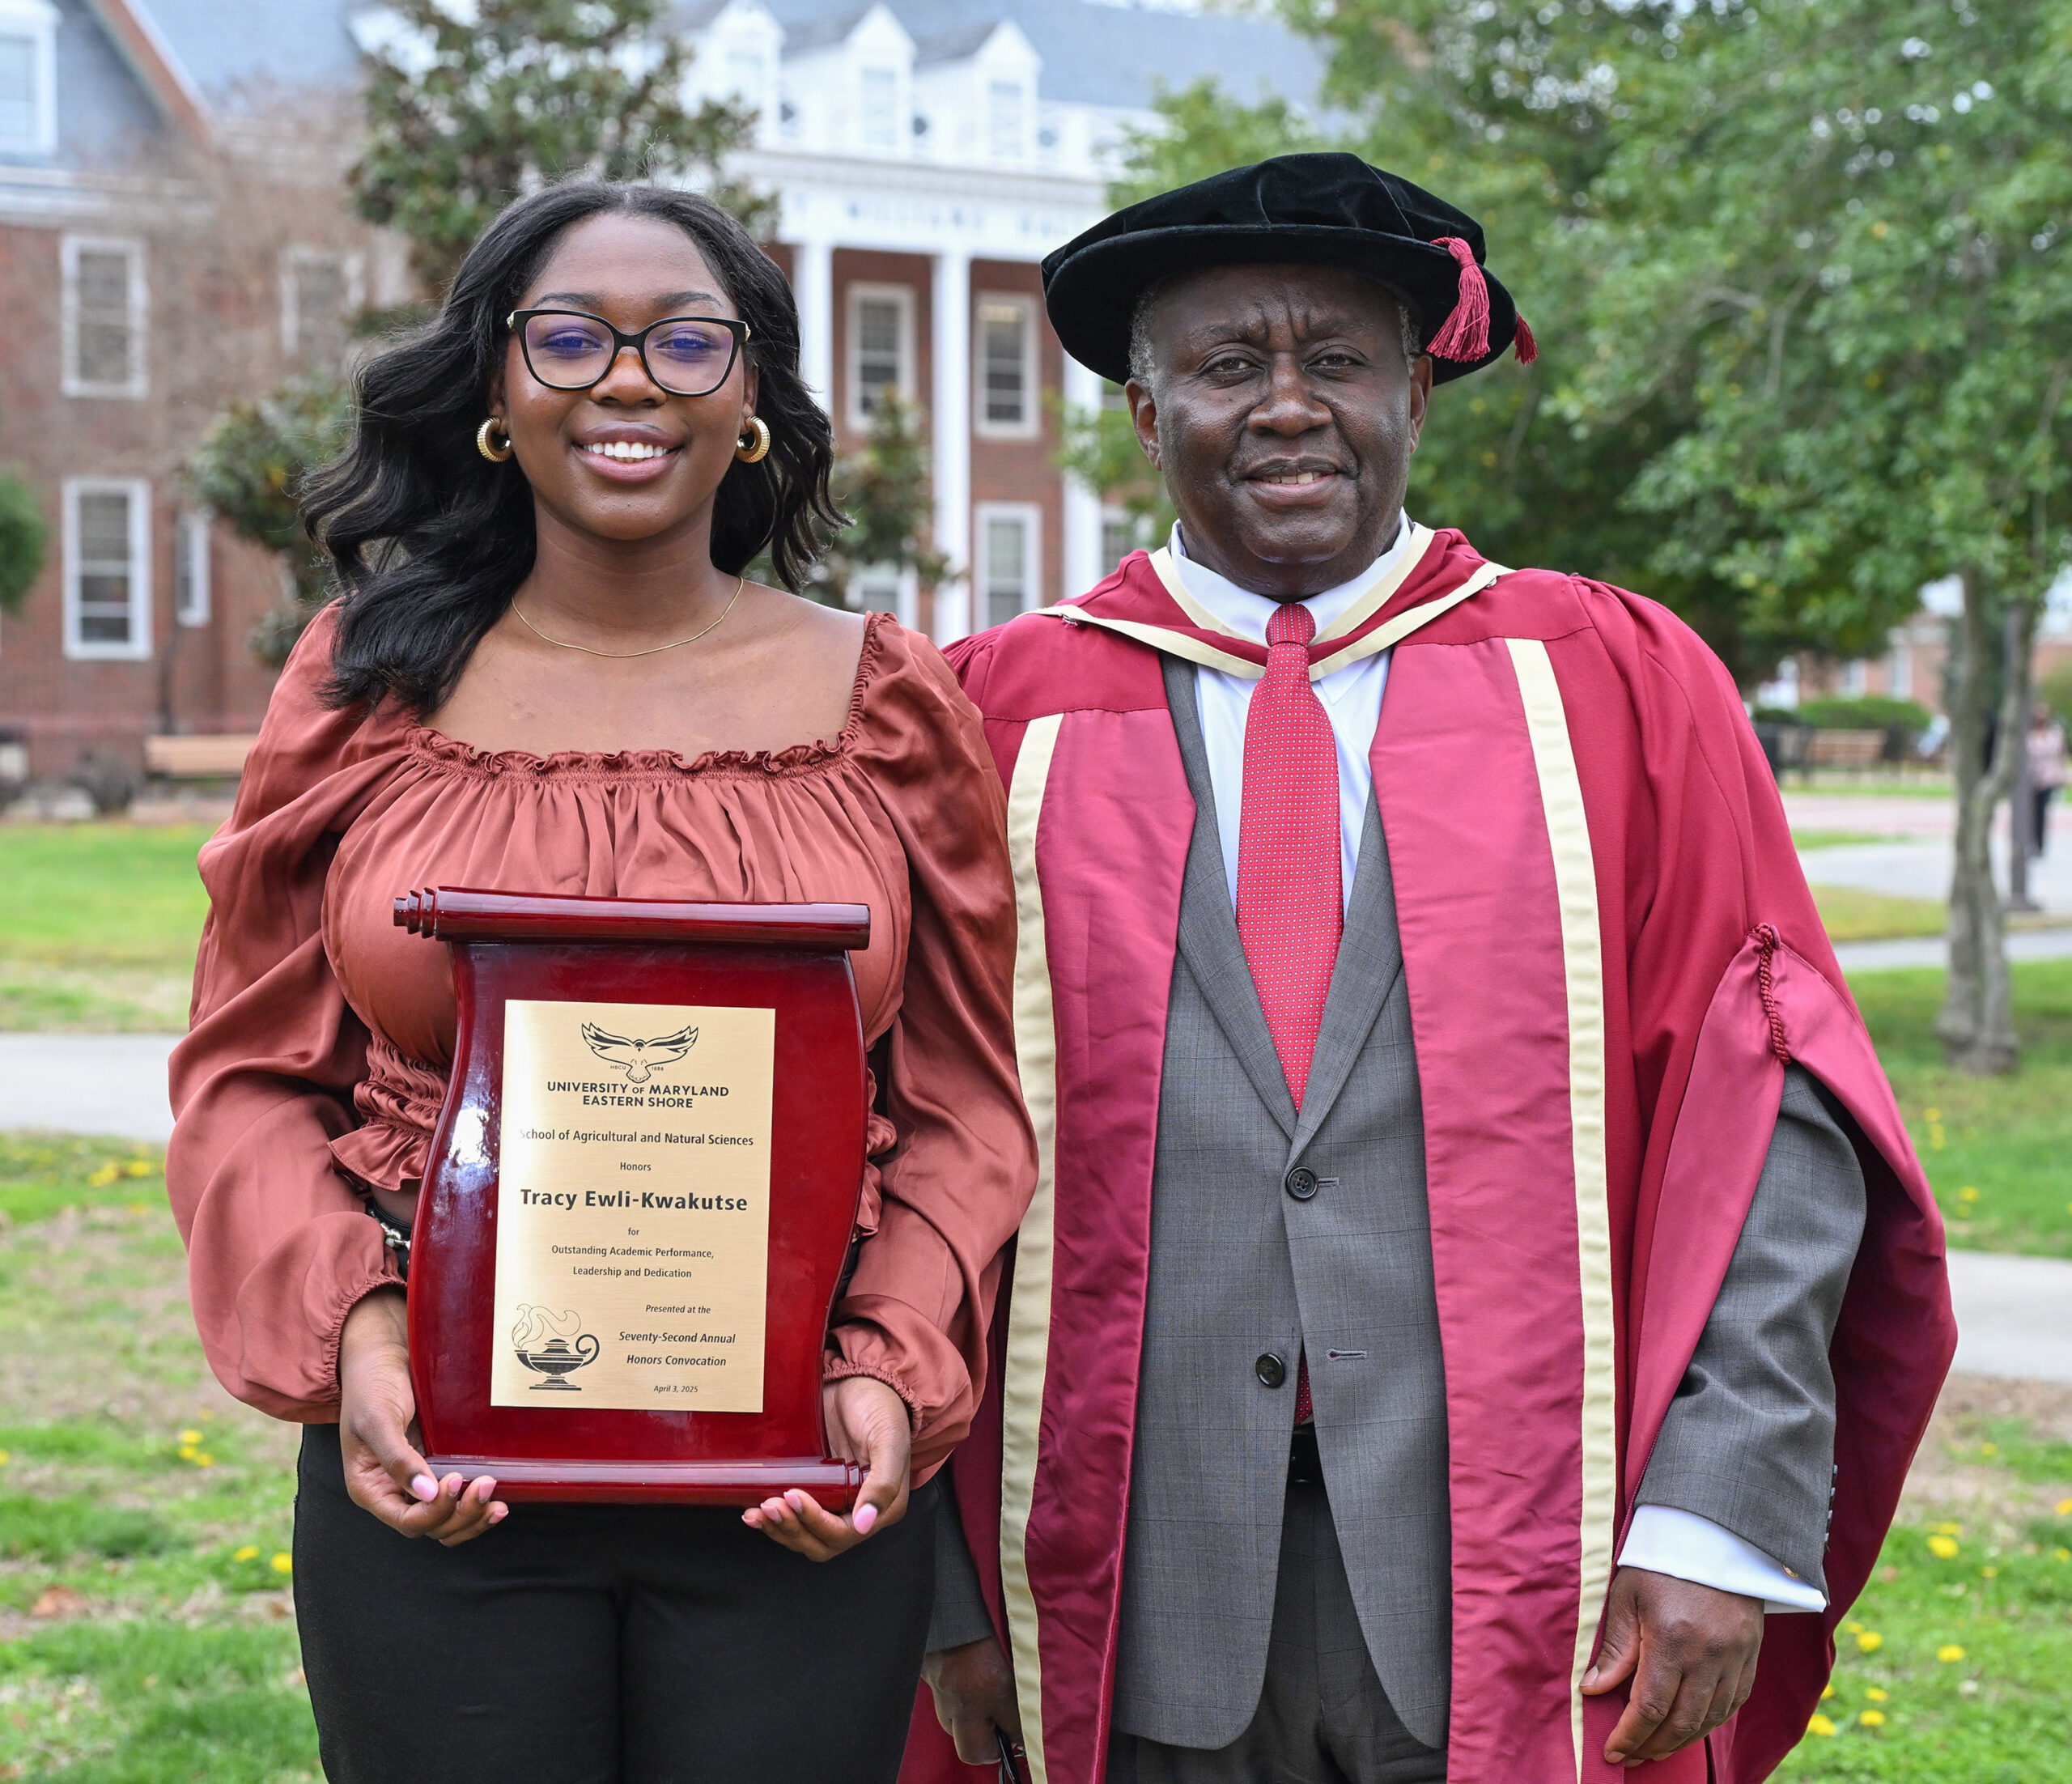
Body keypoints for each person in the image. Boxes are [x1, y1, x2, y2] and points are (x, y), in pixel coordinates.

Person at [904, 155, 1953, 1784]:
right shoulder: (990, 719)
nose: (1284, 409)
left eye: (1334, 360)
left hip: (1532, 1576)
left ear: (1416, 386)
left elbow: (1773, 1110)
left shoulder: (1611, 683)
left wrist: (1714, 1512)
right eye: (1224, 365)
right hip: (1107, 1574)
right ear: (1141, 408)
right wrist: (934, 1579)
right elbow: (887, 1141)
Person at [166, 181, 1034, 1784]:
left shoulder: (887, 701)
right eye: (565, 336)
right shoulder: (367, 684)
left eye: (684, 340)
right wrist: (353, 1340)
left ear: (753, 399)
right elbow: (247, 1079)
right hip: (440, 1465)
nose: (624, 379)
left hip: (793, 1474)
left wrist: (886, 1373)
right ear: (497, 390)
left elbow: (964, 1104)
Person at [2028, 703, 2066, 856]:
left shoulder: (2055, 735)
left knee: (2042, 811)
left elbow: (2059, 758)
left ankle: (2040, 844)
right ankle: (2031, 841)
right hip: (2030, 779)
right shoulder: (2028, 735)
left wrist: (2063, 776)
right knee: (2030, 812)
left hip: (2048, 778)